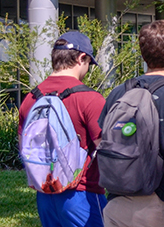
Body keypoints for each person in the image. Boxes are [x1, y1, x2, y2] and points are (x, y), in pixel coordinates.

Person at [100, 20, 164, 227]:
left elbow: (100, 142)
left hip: (116, 205)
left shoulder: (118, 93)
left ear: (143, 56)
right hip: (159, 207)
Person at [18, 31, 107, 227]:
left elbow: (24, 146)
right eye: (88, 64)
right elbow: (108, 150)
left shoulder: (31, 99)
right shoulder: (90, 99)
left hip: (45, 196)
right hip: (83, 195)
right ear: (81, 58)